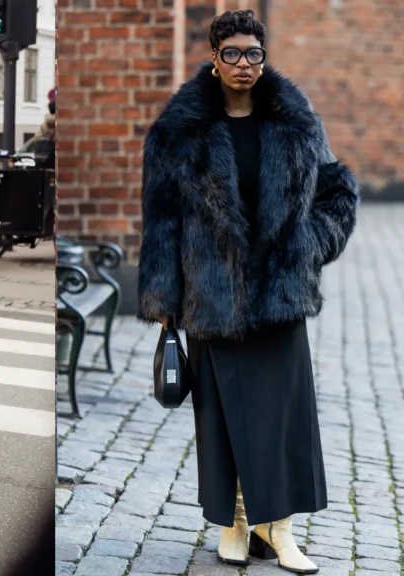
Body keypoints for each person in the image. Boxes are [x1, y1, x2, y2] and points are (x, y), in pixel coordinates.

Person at [138, 11, 358, 573]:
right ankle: (235, 525)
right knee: (224, 417)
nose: (243, 64)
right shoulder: (177, 132)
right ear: (213, 56)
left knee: (283, 419)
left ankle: (278, 530)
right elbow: (161, 223)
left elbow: (338, 193)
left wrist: (308, 244)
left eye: (253, 54)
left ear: (264, 56)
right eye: (231, 53)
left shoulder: (296, 122)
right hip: (213, 299)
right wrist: (164, 304)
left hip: (281, 294)